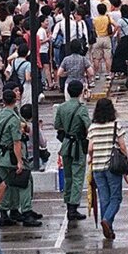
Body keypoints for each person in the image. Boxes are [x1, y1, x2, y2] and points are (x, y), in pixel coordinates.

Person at [0, 89, 40, 227]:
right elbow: (16, 142)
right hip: (11, 157)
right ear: (15, 100)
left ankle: (5, 213)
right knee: (24, 183)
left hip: (0, 156)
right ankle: (26, 212)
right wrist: (19, 161)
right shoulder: (14, 119)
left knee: (7, 185)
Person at [88, 97, 128, 240]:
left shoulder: (92, 127)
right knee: (116, 197)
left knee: (104, 197)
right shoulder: (115, 126)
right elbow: (122, 146)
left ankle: (108, 228)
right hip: (112, 166)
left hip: (97, 167)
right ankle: (107, 220)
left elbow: (90, 149)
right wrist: (126, 160)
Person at [54, 81, 91, 221]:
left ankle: (68, 202)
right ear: (81, 91)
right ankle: (73, 206)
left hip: (66, 144)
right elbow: (88, 125)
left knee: (68, 176)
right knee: (78, 176)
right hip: (78, 145)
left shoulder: (62, 107)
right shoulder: (81, 108)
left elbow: (57, 125)